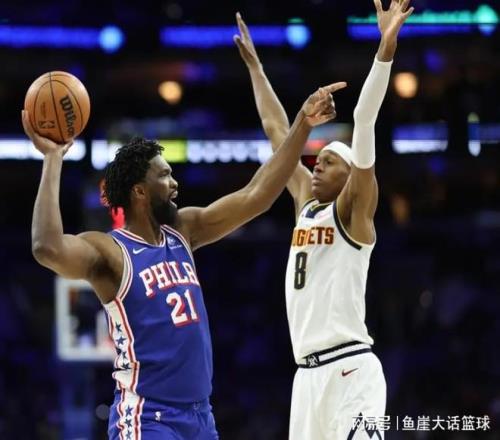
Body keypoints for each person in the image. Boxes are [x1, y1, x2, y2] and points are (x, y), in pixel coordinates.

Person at [23, 70, 344, 439]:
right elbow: (47, 247)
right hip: (147, 417)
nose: (175, 183)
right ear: (139, 192)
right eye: (164, 176)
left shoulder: (183, 231)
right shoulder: (110, 251)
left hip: (200, 417)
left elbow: (257, 195)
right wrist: (53, 158)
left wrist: (303, 124)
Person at [235, 0, 414, 438]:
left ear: (351, 176)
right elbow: (278, 132)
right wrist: (257, 69)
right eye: (317, 161)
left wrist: (385, 49)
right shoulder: (305, 203)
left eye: (328, 162)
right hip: (306, 378)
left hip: (350, 368)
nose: (316, 166)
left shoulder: (354, 211)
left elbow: (364, 120)